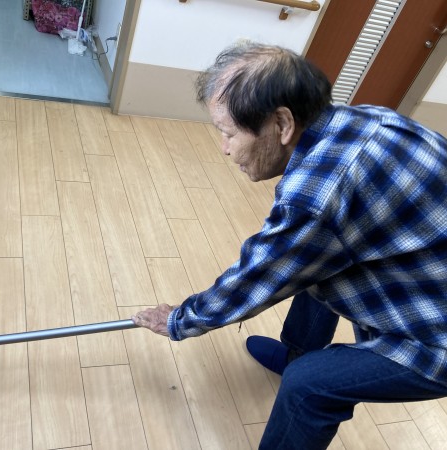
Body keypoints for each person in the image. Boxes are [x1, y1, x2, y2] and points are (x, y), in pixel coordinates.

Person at [131, 42, 447, 449]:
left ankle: (299, 365)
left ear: (282, 123)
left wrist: (179, 320)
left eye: (228, 133)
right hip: (429, 271)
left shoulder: (316, 196)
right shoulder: (369, 118)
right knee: (316, 262)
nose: (224, 148)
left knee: (309, 384)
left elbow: (257, 278)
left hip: (435, 337)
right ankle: (296, 350)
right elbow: (295, 259)